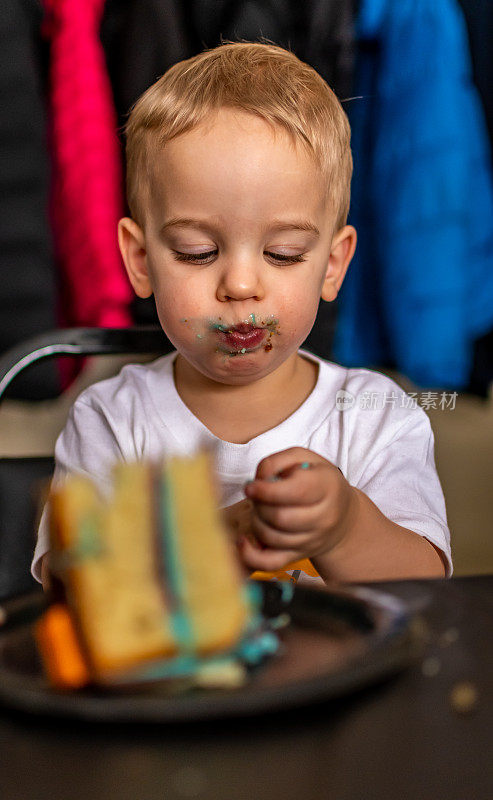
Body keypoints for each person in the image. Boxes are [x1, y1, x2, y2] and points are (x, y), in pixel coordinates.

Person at [33, 42, 451, 590]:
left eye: (282, 255)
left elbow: (427, 590)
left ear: (331, 265)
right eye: (196, 252)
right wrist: (224, 539)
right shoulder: (113, 420)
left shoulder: (374, 417)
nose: (241, 285)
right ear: (140, 261)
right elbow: (76, 591)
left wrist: (344, 529)